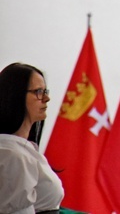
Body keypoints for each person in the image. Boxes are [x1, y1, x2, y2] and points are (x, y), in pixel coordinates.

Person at [0, 62, 65, 214]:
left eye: (45, 91)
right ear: (16, 96)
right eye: (38, 92)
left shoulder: (21, 150)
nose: (47, 98)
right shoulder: (11, 155)